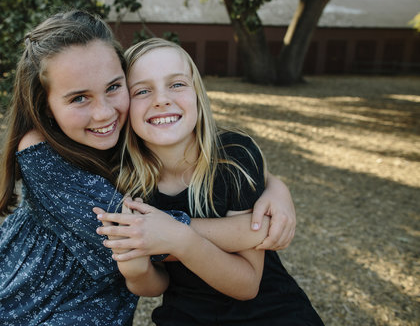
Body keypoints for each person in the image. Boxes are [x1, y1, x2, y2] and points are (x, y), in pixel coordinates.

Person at [0, 10, 295, 325]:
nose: (104, 113)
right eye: (79, 97)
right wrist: (258, 228)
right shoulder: (40, 149)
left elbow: (228, 169)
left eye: (114, 88)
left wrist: (277, 189)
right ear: (45, 106)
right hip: (17, 310)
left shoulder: (130, 149)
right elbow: (141, 233)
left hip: (96, 311)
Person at [95, 38, 324, 325]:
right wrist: (136, 272)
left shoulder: (232, 157)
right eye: (142, 90)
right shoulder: (125, 181)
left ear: (197, 95)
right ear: (126, 106)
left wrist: (178, 236)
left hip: (272, 314)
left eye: (177, 84)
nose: (161, 99)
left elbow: (247, 285)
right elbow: (156, 286)